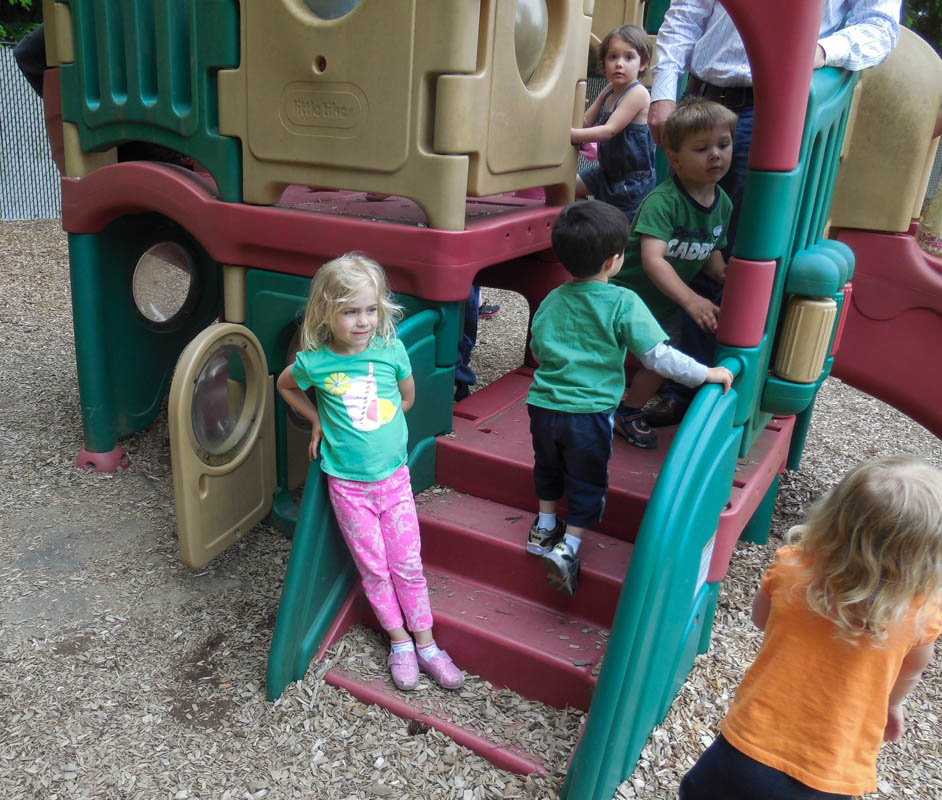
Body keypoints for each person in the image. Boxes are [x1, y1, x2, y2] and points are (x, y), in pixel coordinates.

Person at [644, 0, 902, 428]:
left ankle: (700, 390)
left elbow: (878, 27)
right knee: (681, 240)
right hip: (701, 95)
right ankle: (668, 373)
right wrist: (665, 89)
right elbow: (689, 9)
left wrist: (816, 52)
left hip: (770, 106)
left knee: (733, 256)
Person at [680, 455, 942, 799]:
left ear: (834, 515)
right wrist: (893, 705)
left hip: (746, 750)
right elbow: (913, 666)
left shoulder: (792, 568)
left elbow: (761, 619)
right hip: (830, 774)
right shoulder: (920, 611)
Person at [276, 253, 464, 692]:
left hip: (394, 481)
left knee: (408, 565)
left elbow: (408, 399)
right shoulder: (315, 362)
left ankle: (428, 644)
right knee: (375, 569)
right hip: (348, 487)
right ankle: (400, 643)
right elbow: (285, 385)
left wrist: (377, 422)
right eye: (349, 311)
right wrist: (319, 417)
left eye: (370, 309)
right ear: (326, 313)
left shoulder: (390, 350)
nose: (362, 321)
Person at [526, 201, 733, 596]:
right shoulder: (622, 302)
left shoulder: (552, 299)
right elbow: (658, 356)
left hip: (543, 405)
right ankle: (568, 547)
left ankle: (544, 527)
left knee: (548, 466)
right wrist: (706, 372)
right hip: (587, 414)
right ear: (613, 260)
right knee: (587, 477)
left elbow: (538, 347)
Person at [610, 98, 737, 450]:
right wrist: (692, 299)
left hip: (663, 305)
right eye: (702, 148)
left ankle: (628, 410)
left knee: (663, 358)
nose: (715, 155)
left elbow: (711, 247)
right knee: (606, 355)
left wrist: (723, 272)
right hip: (626, 297)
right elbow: (654, 260)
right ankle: (588, 403)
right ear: (676, 159)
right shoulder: (663, 202)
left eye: (723, 145)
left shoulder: (722, 203)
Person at [572, 25, 657, 222]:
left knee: (618, 229)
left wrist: (572, 134)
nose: (619, 64)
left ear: (643, 63)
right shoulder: (609, 90)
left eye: (628, 58)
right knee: (568, 188)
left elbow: (609, 131)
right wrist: (570, 114)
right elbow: (586, 121)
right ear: (603, 64)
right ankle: (591, 216)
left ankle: (603, 229)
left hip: (631, 182)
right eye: (612, 57)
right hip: (606, 172)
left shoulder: (638, 93)